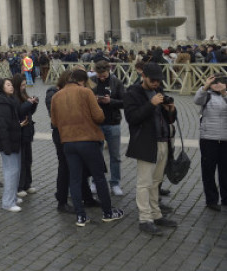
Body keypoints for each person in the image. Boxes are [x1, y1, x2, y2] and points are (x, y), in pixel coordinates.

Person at [51, 69, 124, 226]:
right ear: (82, 81)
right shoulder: (85, 92)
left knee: (75, 179)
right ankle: (108, 212)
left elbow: (55, 122)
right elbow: (99, 116)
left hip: (68, 142)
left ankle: (80, 216)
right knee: (98, 177)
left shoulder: (56, 96)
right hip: (87, 140)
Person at [123, 62, 178, 236]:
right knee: (144, 183)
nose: (156, 83)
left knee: (156, 182)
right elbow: (132, 118)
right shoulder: (132, 93)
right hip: (146, 143)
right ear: (143, 76)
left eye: (158, 81)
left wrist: (171, 110)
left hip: (163, 141)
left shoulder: (158, 90)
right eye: (153, 80)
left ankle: (156, 214)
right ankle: (145, 219)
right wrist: (151, 104)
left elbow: (168, 120)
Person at [90, 60, 125, 196]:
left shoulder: (117, 82)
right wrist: (93, 99)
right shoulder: (91, 81)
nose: (101, 78)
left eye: (104, 75)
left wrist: (111, 101)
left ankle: (115, 183)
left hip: (113, 122)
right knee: (96, 155)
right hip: (96, 123)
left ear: (109, 70)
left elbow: (125, 102)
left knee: (115, 156)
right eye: (99, 75)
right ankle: (95, 182)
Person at [194, 75, 227, 211]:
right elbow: (197, 100)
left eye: (221, 82)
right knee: (208, 170)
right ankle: (211, 199)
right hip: (208, 138)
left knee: (225, 171)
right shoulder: (206, 95)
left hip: (225, 139)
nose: (218, 85)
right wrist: (205, 86)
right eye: (215, 82)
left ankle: (226, 198)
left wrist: (224, 93)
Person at [0, 78, 22, 211]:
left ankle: (12, 196)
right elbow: (2, 126)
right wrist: (6, 145)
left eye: (11, 84)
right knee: (11, 171)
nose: (11, 87)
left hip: (13, 140)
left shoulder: (10, 101)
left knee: (15, 171)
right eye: (8, 85)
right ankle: (8, 202)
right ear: (1, 87)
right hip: (8, 142)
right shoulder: (2, 105)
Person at [12, 73, 38, 197]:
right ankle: (19, 186)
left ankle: (27, 184)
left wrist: (33, 103)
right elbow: (20, 111)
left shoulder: (24, 94)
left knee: (28, 159)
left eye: (24, 85)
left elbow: (29, 111)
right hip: (20, 132)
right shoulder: (14, 97)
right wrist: (28, 103)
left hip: (27, 131)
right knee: (21, 161)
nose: (24, 87)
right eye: (22, 85)